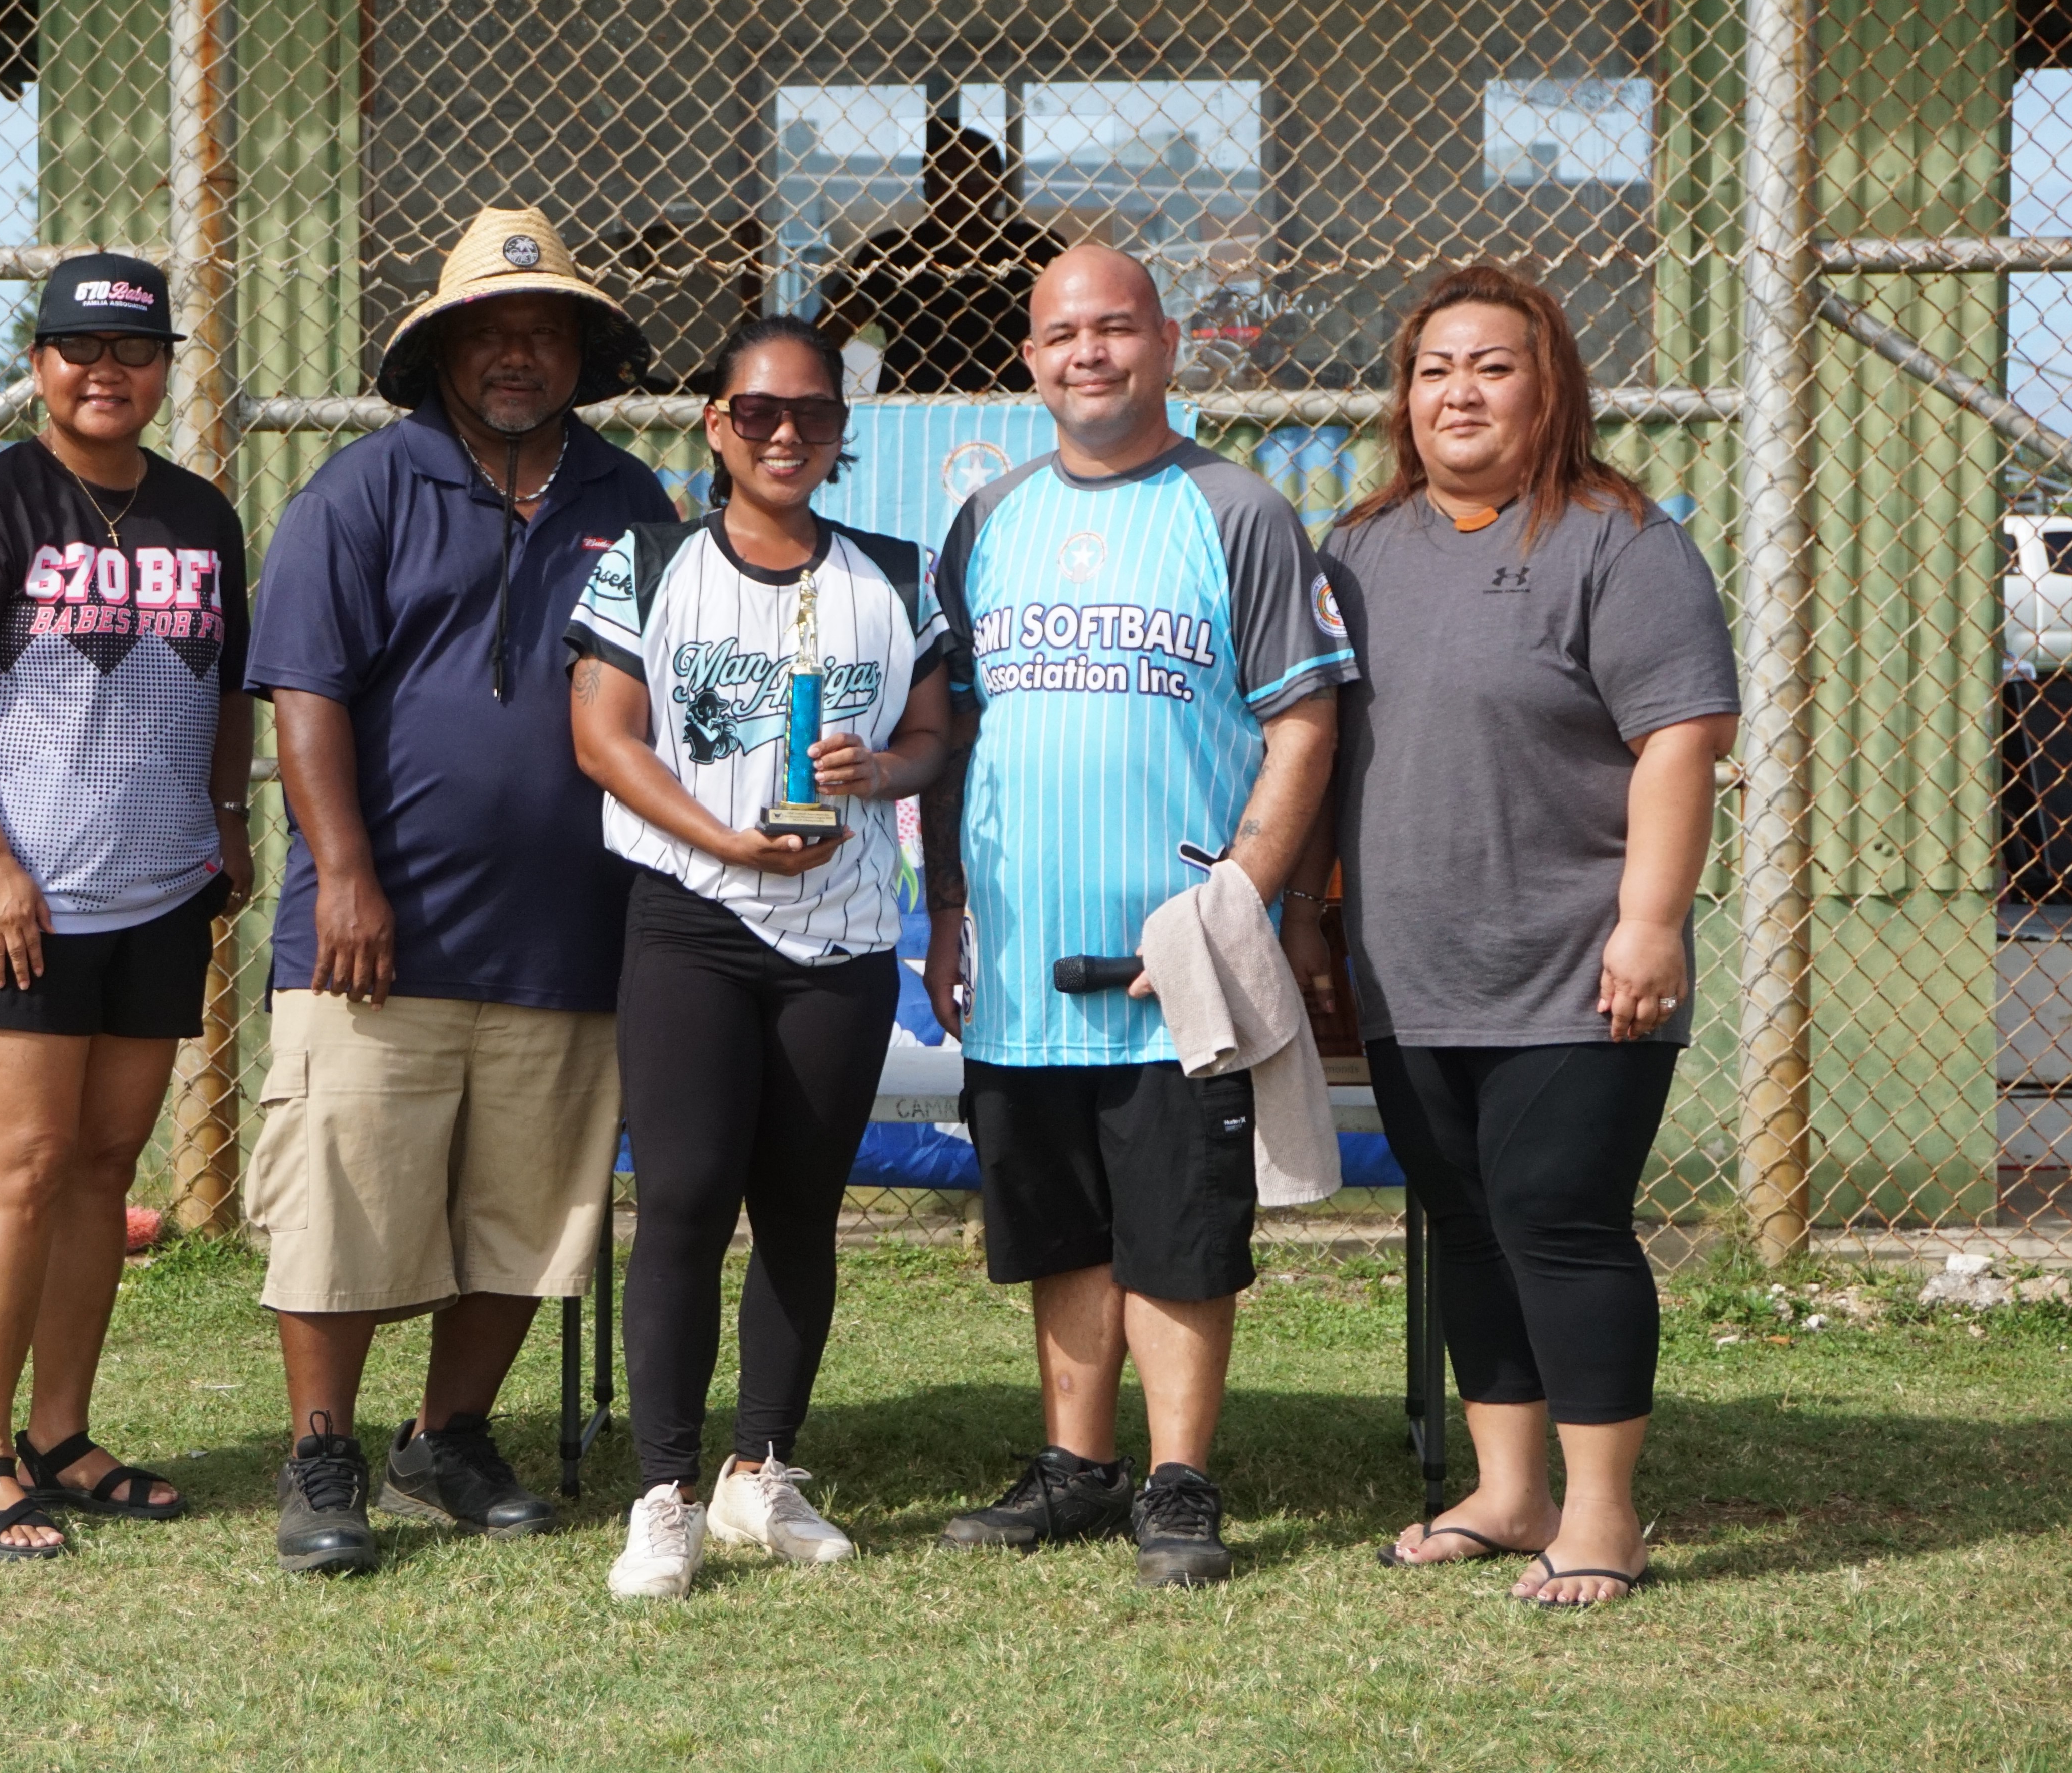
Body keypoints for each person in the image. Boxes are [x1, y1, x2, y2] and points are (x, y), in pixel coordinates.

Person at [244, 205, 673, 1575]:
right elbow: (304, 698)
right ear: (437, 353)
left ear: (580, 354)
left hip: (567, 932)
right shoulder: (359, 492)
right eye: (485, 333)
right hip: (378, 938)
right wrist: (350, 881)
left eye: (541, 332)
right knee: (343, 1198)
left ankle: (448, 1432)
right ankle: (324, 1448)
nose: (514, 356)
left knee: (525, 1204)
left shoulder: (631, 503)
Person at [918, 245, 1354, 1585]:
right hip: (1022, 955)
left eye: (1115, 328)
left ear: (1169, 344)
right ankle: (1074, 1464)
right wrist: (942, 905)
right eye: (1060, 333)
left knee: (1173, 1221)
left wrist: (1245, 891)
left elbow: (1302, 716)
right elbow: (955, 728)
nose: (1087, 352)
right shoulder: (987, 517)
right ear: (1030, 358)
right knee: (1059, 1222)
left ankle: (1176, 1478)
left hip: (1176, 954)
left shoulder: (1234, 511)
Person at [1316, 266, 1738, 1608]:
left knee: (1558, 1219)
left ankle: (1601, 1514)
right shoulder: (1360, 549)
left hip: (1576, 963)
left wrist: (1649, 922)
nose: (1457, 391)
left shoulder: (1620, 541)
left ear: (1546, 383)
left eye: (1490, 365)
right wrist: (1315, 924)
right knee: (1465, 1224)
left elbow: (1680, 738)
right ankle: (1508, 1492)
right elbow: (1320, 751)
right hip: (1410, 965)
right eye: (1433, 367)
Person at [570, 315, 952, 1600]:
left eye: (813, 414)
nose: (785, 433)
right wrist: (724, 835)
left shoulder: (894, 573)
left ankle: (759, 1470)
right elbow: (604, 739)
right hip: (692, 917)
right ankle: (665, 1490)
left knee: (798, 1208)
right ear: (714, 423)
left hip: (838, 931)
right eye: (758, 412)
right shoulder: (648, 562)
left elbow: (929, 736)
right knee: (680, 1199)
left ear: (843, 431)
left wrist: (876, 771)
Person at [0, 253, 252, 1559]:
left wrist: (227, 819)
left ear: (163, 368)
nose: (107, 373)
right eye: (79, 351)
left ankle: (62, 1430)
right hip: (16, 900)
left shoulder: (202, 515)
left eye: (135, 352)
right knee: (24, 1168)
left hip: (154, 891)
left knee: (102, 1168)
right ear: (37, 364)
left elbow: (220, 692)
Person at [814, 121, 1066, 394]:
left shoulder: (1036, 249)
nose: (957, 186)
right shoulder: (891, 252)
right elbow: (829, 332)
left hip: (1016, 404)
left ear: (999, 185)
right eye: (945, 174)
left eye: (974, 175)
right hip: (914, 408)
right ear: (927, 185)